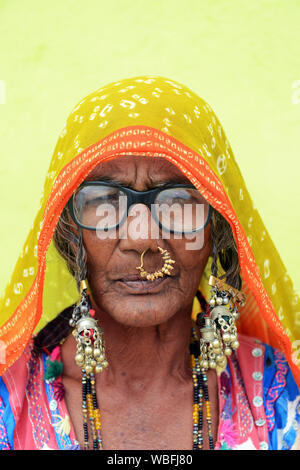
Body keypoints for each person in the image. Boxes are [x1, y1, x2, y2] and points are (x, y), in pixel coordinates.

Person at [0, 76, 299, 451]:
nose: (142, 239)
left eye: (177, 201)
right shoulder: (11, 399)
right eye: (106, 200)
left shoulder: (273, 386)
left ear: (217, 232)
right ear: (69, 235)